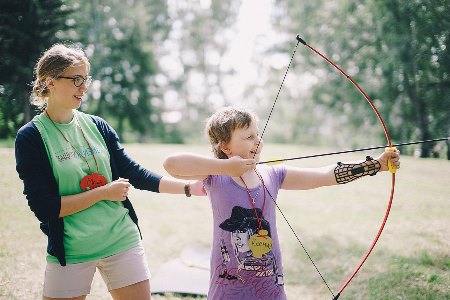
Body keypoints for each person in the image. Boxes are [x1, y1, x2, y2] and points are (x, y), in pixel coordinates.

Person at [15, 43, 205, 300]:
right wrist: (104, 193)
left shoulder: (97, 126)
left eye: (86, 79)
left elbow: (134, 173)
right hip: (72, 250)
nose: (84, 87)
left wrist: (189, 188)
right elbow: (45, 207)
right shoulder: (31, 137)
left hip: (121, 241)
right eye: (76, 80)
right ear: (50, 82)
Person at [163, 106, 401, 300]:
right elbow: (171, 164)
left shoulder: (273, 174)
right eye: (248, 137)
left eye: (257, 134)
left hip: (269, 287)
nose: (258, 141)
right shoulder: (215, 177)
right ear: (225, 146)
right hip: (228, 289)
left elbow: (324, 176)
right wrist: (225, 166)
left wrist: (375, 165)